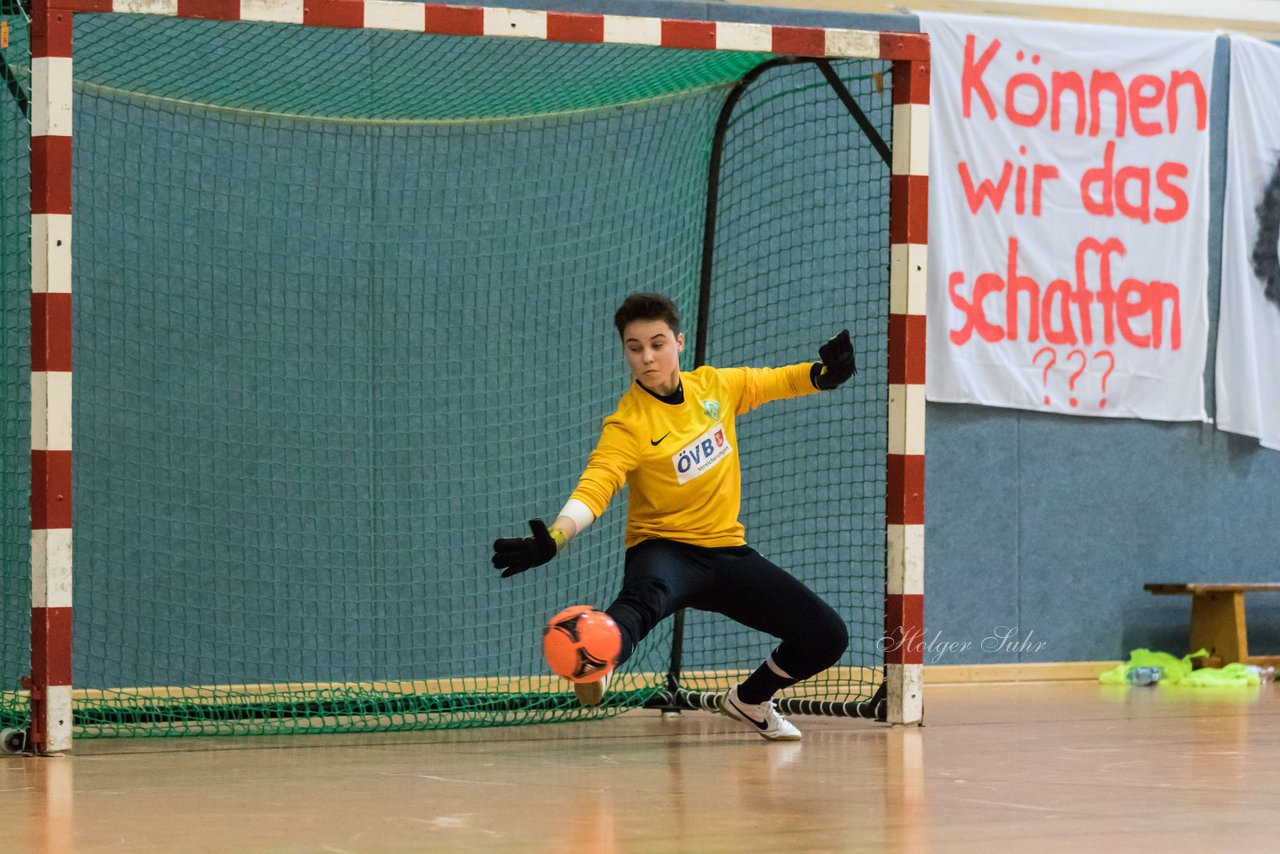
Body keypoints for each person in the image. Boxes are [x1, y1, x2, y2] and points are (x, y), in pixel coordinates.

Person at [492, 293, 855, 741]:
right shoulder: (627, 424)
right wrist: (555, 537)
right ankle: (600, 659)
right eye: (634, 347)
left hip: (727, 551)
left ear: (679, 342)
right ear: (625, 350)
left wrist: (823, 376)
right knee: (640, 603)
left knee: (827, 635)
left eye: (657, 343)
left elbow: (774, 381)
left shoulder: (716, 387)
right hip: (665, 550)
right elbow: (597, 484)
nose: (647, 357)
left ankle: (750, 699)